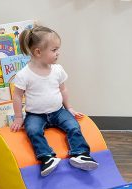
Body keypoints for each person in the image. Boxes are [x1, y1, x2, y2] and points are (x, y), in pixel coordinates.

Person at [9, 25, 98, 176]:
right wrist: (18, 117)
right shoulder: (24, 74)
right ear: (38, 52)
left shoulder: (57, 70)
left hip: (58, 111)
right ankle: (46, 158)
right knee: (33, 131)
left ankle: (80, 154)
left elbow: (63, 89)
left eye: (57, 49)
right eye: (54, 50)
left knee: (73, 126)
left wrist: (69, 108)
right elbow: (17, 96)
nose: (58, 53)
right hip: (35, 115)